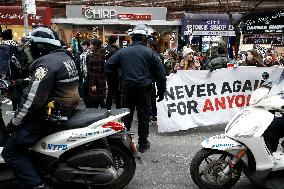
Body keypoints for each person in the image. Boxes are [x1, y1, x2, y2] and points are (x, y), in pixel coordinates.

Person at [1, 27, 80, 189]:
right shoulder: (63, 57)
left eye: (32, 45)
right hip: (64, 110)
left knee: (10, 152)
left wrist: (14, 123)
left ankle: (37, 185)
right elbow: (48, 81)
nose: (30, 48)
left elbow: (32, 101)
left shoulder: (45, 64)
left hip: (48, 117)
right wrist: (23, 82)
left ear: (41, 46)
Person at [105, 24, 166, 153]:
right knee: (144, 117)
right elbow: (161, 75)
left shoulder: (122, 52)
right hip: (144, 90)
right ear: (145, 38)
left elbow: (108, 67)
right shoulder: (151, 53)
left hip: (127, 89)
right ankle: (143, 144)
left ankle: (125, 143)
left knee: (127, 116)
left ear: (132, 37)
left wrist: (119, 78)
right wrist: (161, 92)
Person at [0, 29, 22, 112]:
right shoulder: (16, 45)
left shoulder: (3, 46)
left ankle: (14, 108)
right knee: (16, 88)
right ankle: (16, 108)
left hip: (7, 71)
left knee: (11, 89)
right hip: (16, 70)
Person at [85, 38, 106, 108]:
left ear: (95, 46)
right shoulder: (102, 54)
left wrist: (93, 84)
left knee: (95, 102)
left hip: (96, 82)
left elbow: (95, 72)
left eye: (91, 44)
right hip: (101, 81)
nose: (90, 46)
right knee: (101, 100)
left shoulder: (95, 56)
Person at [105, 35, 121, 110]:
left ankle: (108, 108)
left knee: (110, 91)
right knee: (117, 92)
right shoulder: (115, 50)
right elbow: (118, 62)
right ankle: (118, 108)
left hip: (108, 73)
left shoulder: (106, 49)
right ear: (115, 41)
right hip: (115, 73)